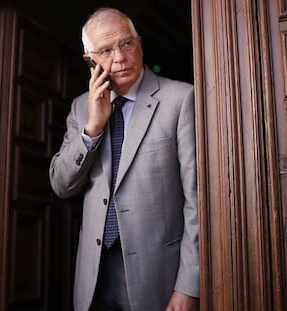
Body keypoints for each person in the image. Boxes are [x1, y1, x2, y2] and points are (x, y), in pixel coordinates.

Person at [49, 7, 199, 311]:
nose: (119, 57)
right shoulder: (81, 109)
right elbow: (61, 185)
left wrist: (188, 285)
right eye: (105, 50)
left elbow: (196, 200)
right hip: (94, 277)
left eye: (126, 43)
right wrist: (92, 128)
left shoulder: (181, 99)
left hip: (157, 276)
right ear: (90, 61)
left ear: (140, 45)